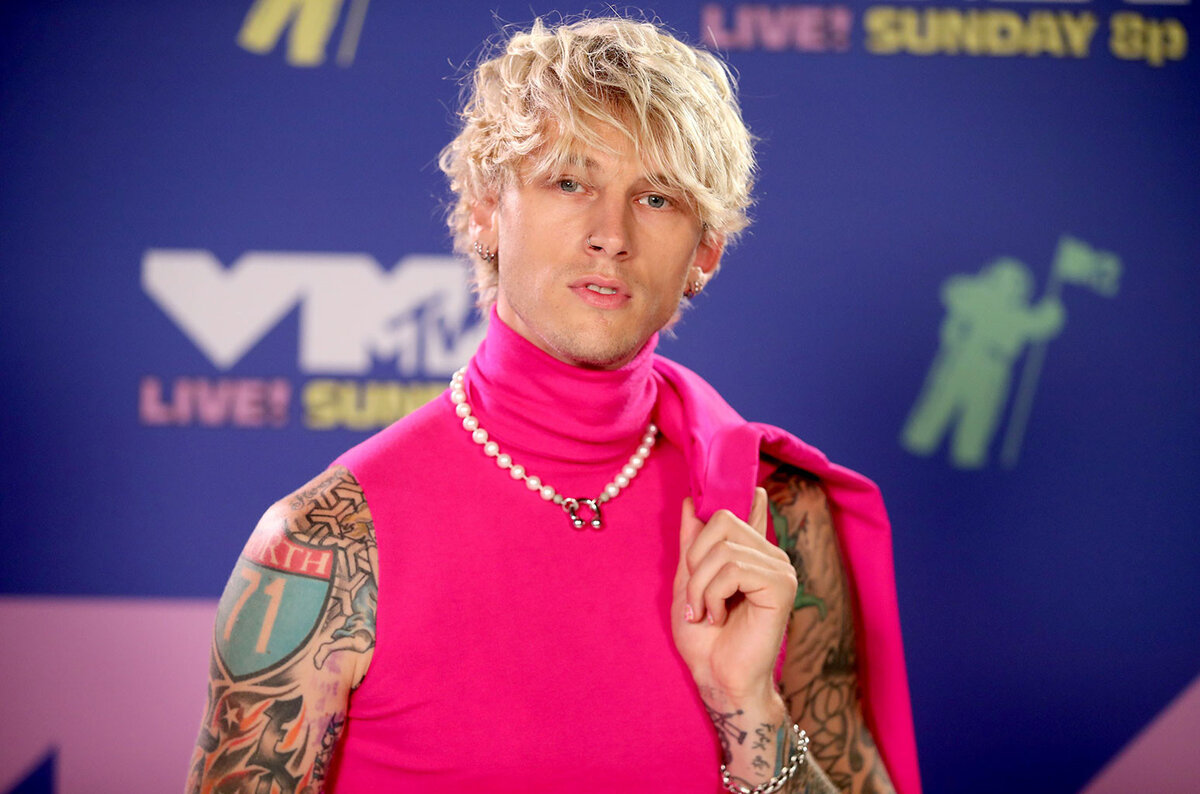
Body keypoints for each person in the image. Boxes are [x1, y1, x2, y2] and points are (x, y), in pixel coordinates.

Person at [186, 15, 920, 794]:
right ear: (485, 210)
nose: (611, 235)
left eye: (657, 198)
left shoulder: (773, 511)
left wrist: (751, 710)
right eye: (570, 183)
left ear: (704, 251)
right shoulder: (328, 543)